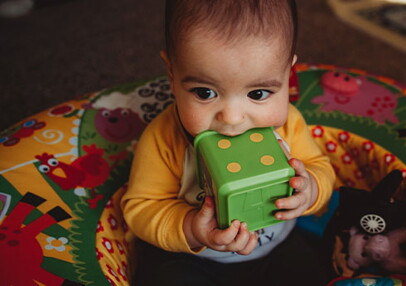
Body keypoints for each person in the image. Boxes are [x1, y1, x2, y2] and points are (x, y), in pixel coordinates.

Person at [120, 0, 336, 285]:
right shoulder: (163, 138)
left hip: (276, 248)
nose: (232, 118)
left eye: (258, 94)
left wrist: (310, 189)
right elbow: (141, 207)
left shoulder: (289, 124)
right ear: (172, 75)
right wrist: (191, 229)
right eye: (205, 92)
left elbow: (320, 167)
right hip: (194, 259)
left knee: (315, 271)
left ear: (288, 74)